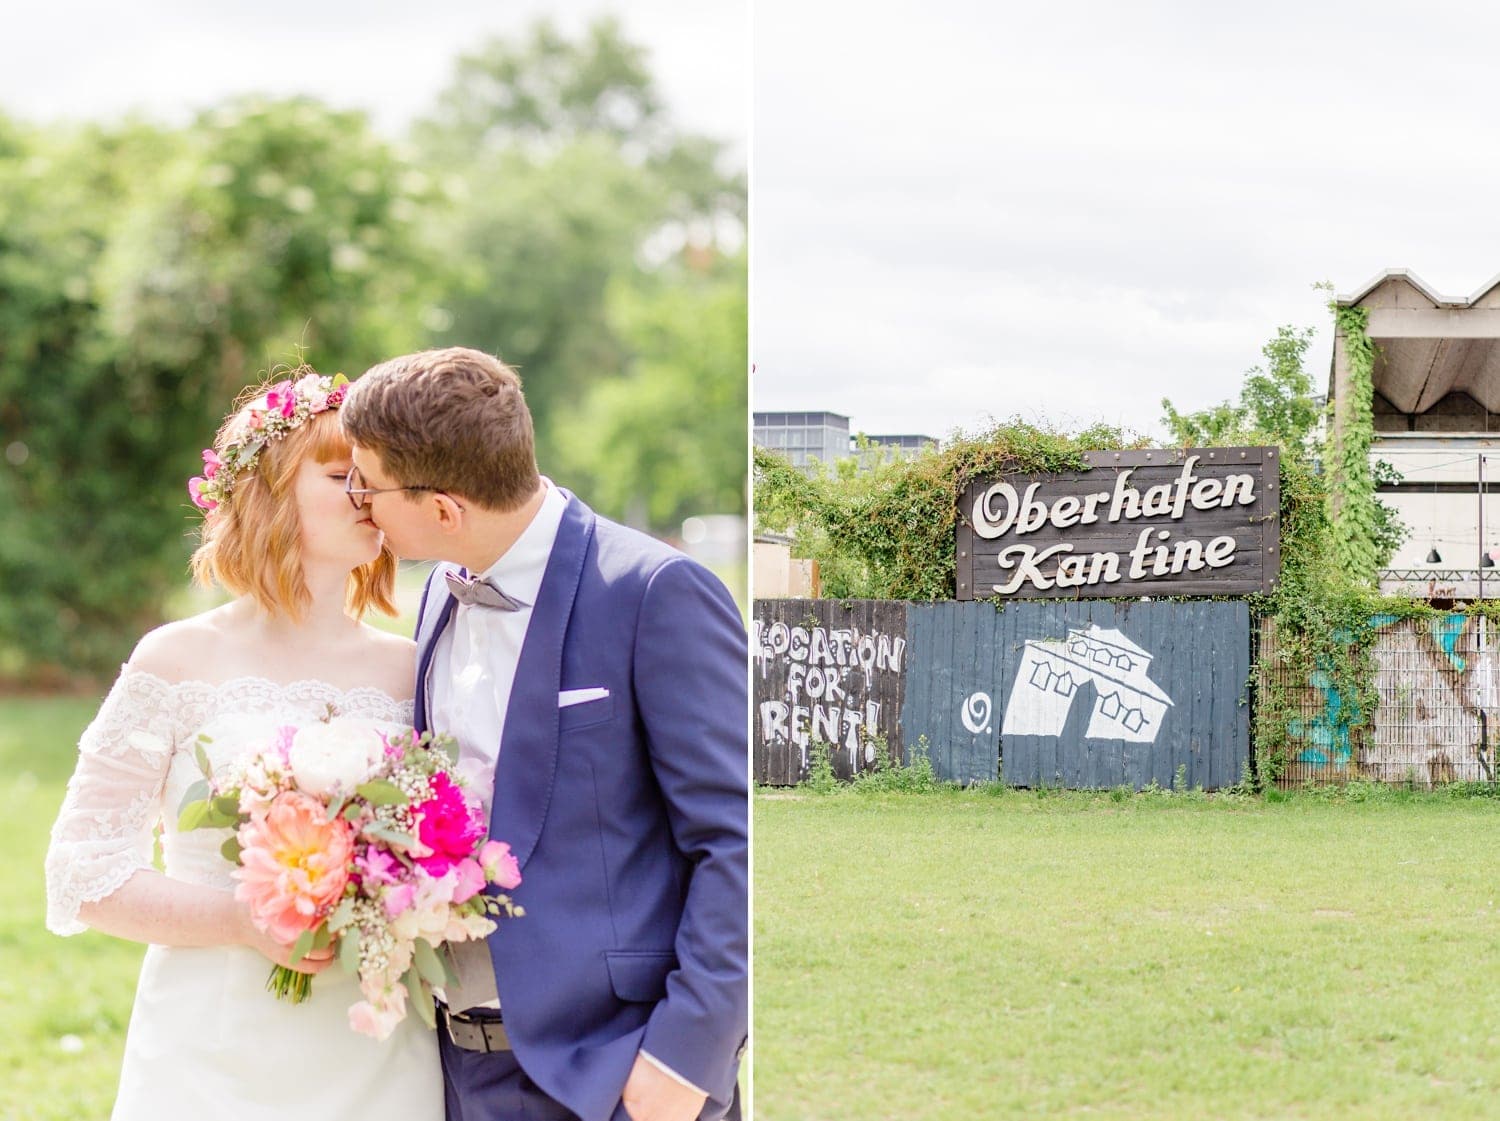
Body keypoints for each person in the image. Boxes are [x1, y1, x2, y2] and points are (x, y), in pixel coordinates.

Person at [340, 347, 748, 1121]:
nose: (360, 500)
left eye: (370, 481)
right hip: (459, 1071)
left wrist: (683, 1061)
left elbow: (737, 842)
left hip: (619, 1076)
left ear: (444, 507)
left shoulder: (654, 592)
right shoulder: (435, 597)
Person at [43, 368, 443, 1121]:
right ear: (269, 490)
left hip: (377, 1047)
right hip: (211, 1049)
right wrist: (241, 922)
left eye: (377, 477)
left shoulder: (414, 669)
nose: (369, 493)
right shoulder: (175, 659)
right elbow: (81, 869)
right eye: (340, 474)